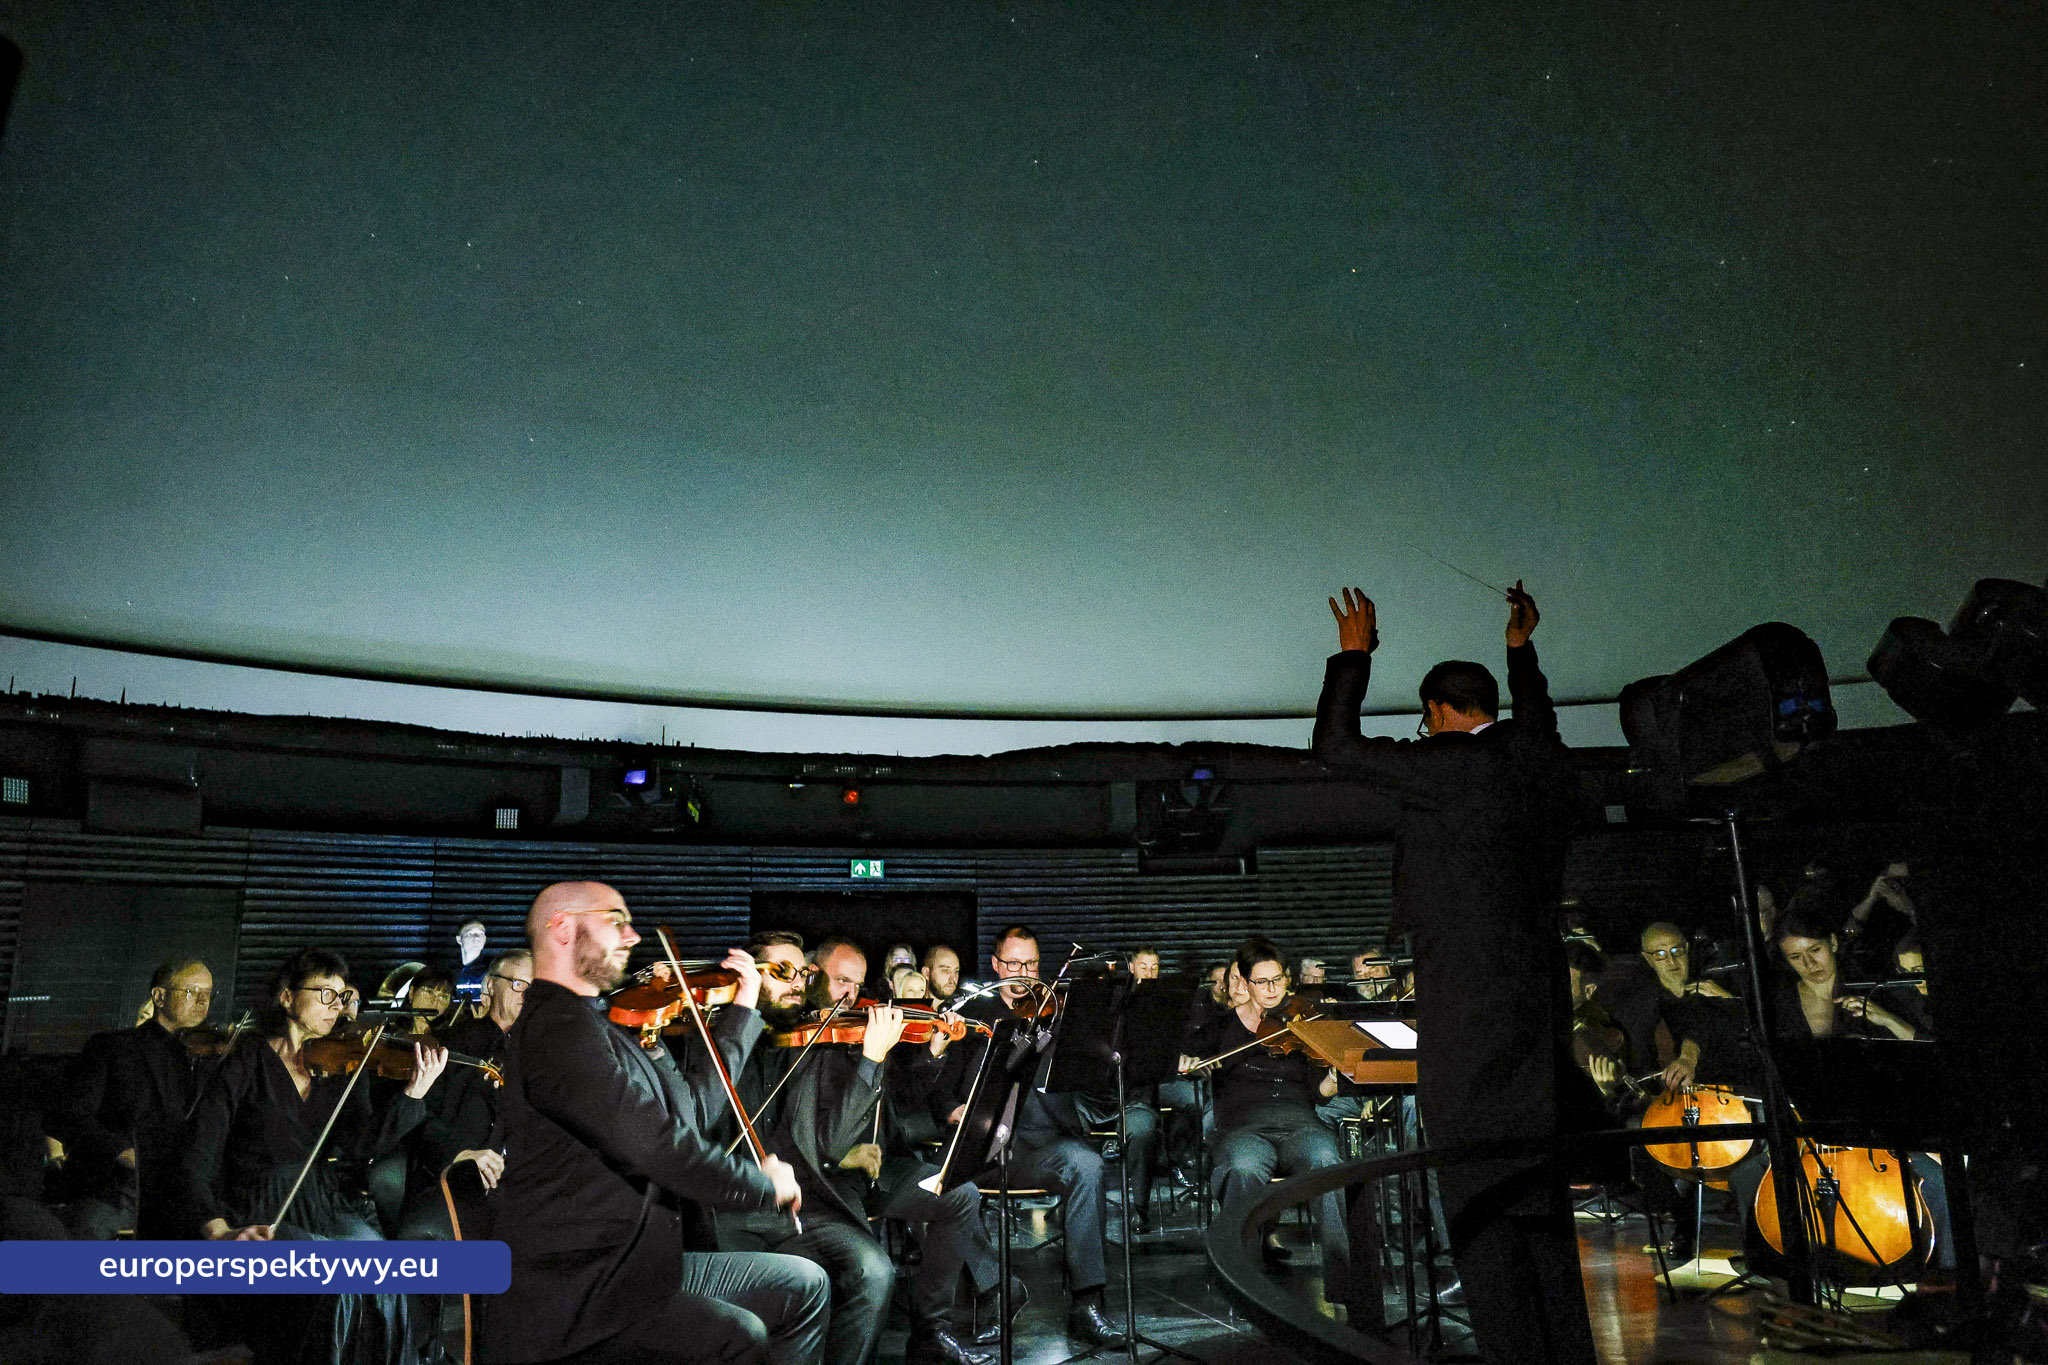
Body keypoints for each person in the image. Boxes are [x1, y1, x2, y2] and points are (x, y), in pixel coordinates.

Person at [1312, 581, 1596, 1365]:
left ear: (1436, 712)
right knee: (1542, 1213)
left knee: (1478, 1202)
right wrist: (1522, 652)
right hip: (1537, 1004)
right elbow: (1539, 723)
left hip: (1467, 1011)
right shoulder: (1535, 761)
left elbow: (1335, 748)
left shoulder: (1446, 766)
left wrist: (1352, 657)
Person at [483, 882, 825, 1365]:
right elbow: (658, 1146)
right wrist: (759, 1185)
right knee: (739, 1336)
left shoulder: (602, 1026)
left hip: (637, 1271)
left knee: (804, 1285)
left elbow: (693, 1114)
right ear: (561, 927)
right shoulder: (556, 1028)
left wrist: (742, 1012)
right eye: (615, 920)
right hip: (582, 1297)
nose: (632, 935)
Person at [707, 932, 994, 1365]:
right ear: (816, 977)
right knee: (871, 1271)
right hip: (833, 1181)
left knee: (960, 1195)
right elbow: (824, 1140)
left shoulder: (851, 1026)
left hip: (880, 1166)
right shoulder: (803, 1039)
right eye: (842, 981)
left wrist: (931, 1051)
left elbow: (907, 1096)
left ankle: (930, 1334)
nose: (851, 995)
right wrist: (870, 1062)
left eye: (858, 985)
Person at [181, 947, 447, 1365]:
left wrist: (413, 1095)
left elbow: (363, 1147)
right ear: (287, 998)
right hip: (263, 1207)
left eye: (341, 997)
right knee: (342, 1280)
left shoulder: (341, 1066)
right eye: (324, 993)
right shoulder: (247, 1062)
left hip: (323, 1202)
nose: (336, 1007)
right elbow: (197, 1157)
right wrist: (216, 1231)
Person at [934, 925, 1129, 1348]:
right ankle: (997, 1289)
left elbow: (1088, 1088)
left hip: (1040, 1145)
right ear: (996, 965)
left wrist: (1095, 1051)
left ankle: (1087, 1304)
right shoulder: (970, 1014)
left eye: (1032, 964)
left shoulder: (1056, 1015)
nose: (1024, 974)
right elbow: (938, 1092)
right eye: (1014, 964)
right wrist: (954, 1110)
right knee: (943, 1183)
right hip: (985, 1144)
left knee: (1088, 1164)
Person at [1182, 939, 1351, 1287]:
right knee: (1241, 1167)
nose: (1273, 990)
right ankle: (1247, 1281)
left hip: (1299, 1122)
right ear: (1244, 983)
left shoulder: (1303, 1021)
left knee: (1326, 1161)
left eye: (1279, 980)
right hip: (1244, 1127)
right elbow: (1177, 1056)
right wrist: (1184, 1062)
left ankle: (1344, 1281)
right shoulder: (1220, 1029)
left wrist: (1336, 1077)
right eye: (1263, 982)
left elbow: (1319, 1094)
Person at [52, 958, 217, 1240]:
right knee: (88, 1234)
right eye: (191, 991)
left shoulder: (211, 1059)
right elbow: (69, 1116)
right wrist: (122, 1152)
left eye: (208, 993)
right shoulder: (113, 1047)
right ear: (159, 996)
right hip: (118, 1185)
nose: (203, 1001)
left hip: (185, 1191)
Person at [454, 920, 489, 1011]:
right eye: (470, 933)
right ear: (459, 939)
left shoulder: (492, 970)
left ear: (485, 939)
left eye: (480, 933)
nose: (476, 938)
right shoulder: (448, 970)